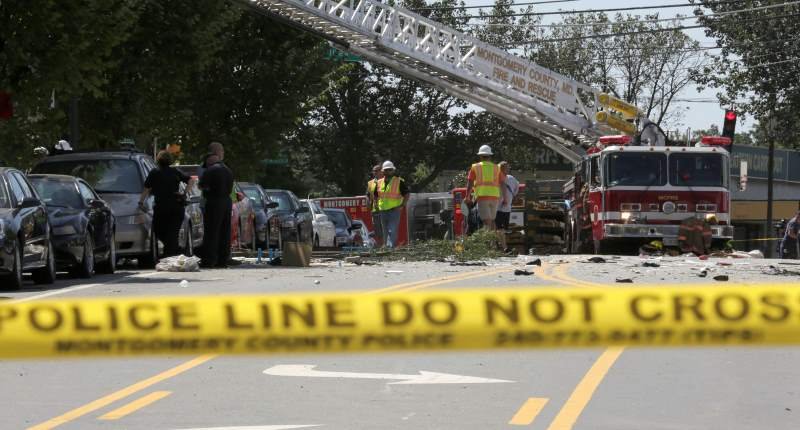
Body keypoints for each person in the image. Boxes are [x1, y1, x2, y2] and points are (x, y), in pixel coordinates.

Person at [138, 151, 194, 258]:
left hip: (161, 208)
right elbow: (191, 180)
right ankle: (174, 253)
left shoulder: (154, 172)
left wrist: (141, 202)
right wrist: (184, 193)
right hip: (176, 207)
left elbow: (146, 188)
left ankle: (171, 254)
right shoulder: (175, 171)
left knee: (158, 230)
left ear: (158, 160)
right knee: (173, 233)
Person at [198, 142, 234, 268]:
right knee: (225, 231)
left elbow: (203, 186)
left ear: (209, 160)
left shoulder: (210, 170)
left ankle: (209, 259)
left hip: (214, 202)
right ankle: (222, 260)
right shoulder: (228, 170)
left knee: (212, 231)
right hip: (227, 202)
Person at [465, 145, 505, 231]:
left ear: (480, 156)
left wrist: (467, 196)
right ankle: (493, 243)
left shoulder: (475, 167)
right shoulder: (497, 168)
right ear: (490, 156)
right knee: (491, 221)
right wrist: (504, 198)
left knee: (487, 222)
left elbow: (470, 182)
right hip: (494, 198)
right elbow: (502, 183)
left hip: (482, 197)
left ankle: (488, 243)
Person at [375, 161, 409, 248]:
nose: (388, 172)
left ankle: (391, 247)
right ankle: (387, 246)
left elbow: (407, 194)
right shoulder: (379, 182)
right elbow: (376, 195)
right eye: (386, 170)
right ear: (383, 171)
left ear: (393, 171)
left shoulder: (399, 181)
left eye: (390, 170)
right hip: (383, 210)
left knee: (392, 230)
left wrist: (402, 205)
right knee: (385, 231)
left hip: (394, 210)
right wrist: (376, 205)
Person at [496, 161, 519, 252]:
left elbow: (516, 189)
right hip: (499, 208)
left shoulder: (510, 179)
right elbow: (516, 190)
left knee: (501, 229)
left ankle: (501, 246)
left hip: (504, 208)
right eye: (507, 167)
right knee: (500, 229)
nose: (508, 169)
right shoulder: (509, 178)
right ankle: (503, 247)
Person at [365, 164, 384, 246]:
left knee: (386, 229)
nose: (374, 172)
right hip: (375, 210)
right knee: (378, 231)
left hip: (385, 209)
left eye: (376, 170)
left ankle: (387, 246)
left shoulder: (386, 181)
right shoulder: (370, 183)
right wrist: (368, 202)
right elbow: (367, 195)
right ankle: (381, 248)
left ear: (381, 171)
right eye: (374, 171)